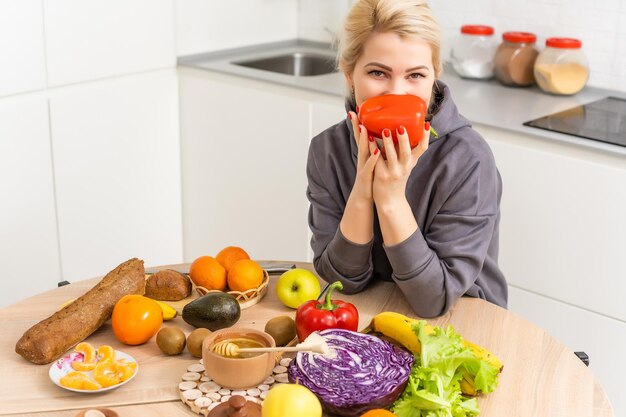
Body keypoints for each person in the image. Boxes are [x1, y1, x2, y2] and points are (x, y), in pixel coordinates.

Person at [306, 0, 507, 317]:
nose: (396, 93)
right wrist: (363, 191)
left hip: (467, 322)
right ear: (349, 74)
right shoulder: (327, 151)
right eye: (377, 73)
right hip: (372, 318)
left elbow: (434, 300)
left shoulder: (469, 159)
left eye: (415, 75)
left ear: (435, 76)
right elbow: (341, 286)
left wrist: (390, 199)